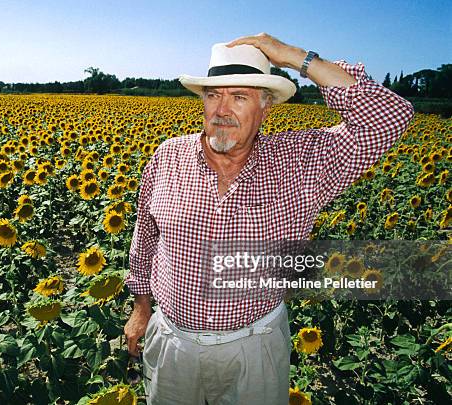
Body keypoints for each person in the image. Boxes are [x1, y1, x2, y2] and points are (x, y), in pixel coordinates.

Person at [124, 33, 414, 405]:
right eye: (214, 95)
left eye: (240, 97)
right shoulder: (169, 156)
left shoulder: (301, 162)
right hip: (172, 344)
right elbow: (146, 236)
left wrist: (296, 58)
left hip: (253, 348)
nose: (222, 110)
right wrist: (141, 305)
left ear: (266, 106)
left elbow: (389, 117)